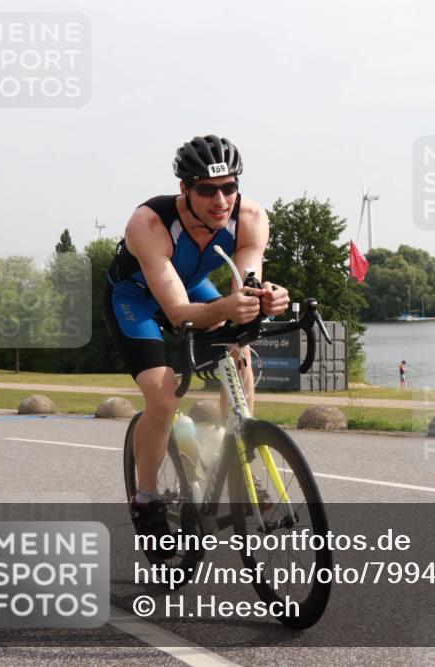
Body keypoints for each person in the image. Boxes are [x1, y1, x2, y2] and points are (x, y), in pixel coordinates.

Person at [104, 135, 289, 557]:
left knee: (238, 350)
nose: (220, 199)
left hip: (190, 288)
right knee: (164, 395)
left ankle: (239, 453)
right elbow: (178, 314)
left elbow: (248, 285)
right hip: (136, 301)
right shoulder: (149, 223)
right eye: (206, 189)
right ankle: (146, 499)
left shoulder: (252, 218)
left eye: (229, 187)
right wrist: (228, 305)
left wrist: (268, 299)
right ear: (184, 189)